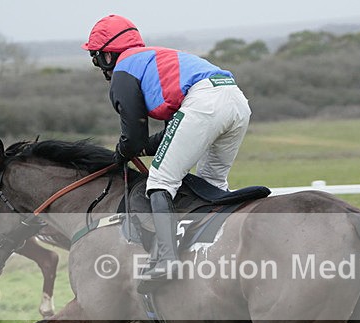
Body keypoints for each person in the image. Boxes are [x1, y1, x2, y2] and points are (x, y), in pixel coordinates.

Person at [82, 15, 252, 283]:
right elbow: (168, 135)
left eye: (96, 58)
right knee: (211, 183)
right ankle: (214, 251)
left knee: (160, 182)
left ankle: (167, 258)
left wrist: (123, 150)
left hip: (204, 103)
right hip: (236, 100)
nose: (98, 66)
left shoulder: (125, 71)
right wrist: (134, 148)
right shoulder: (153, 58)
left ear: (106, 56)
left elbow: (135, 139)